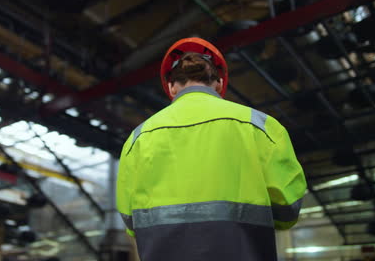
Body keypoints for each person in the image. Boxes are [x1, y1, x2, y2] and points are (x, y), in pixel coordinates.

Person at [116, 37, 306, 261]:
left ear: (171, 86)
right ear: (218, 84)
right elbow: (288, 208)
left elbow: (130, 221)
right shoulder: (261, 126)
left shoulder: (138, 138)